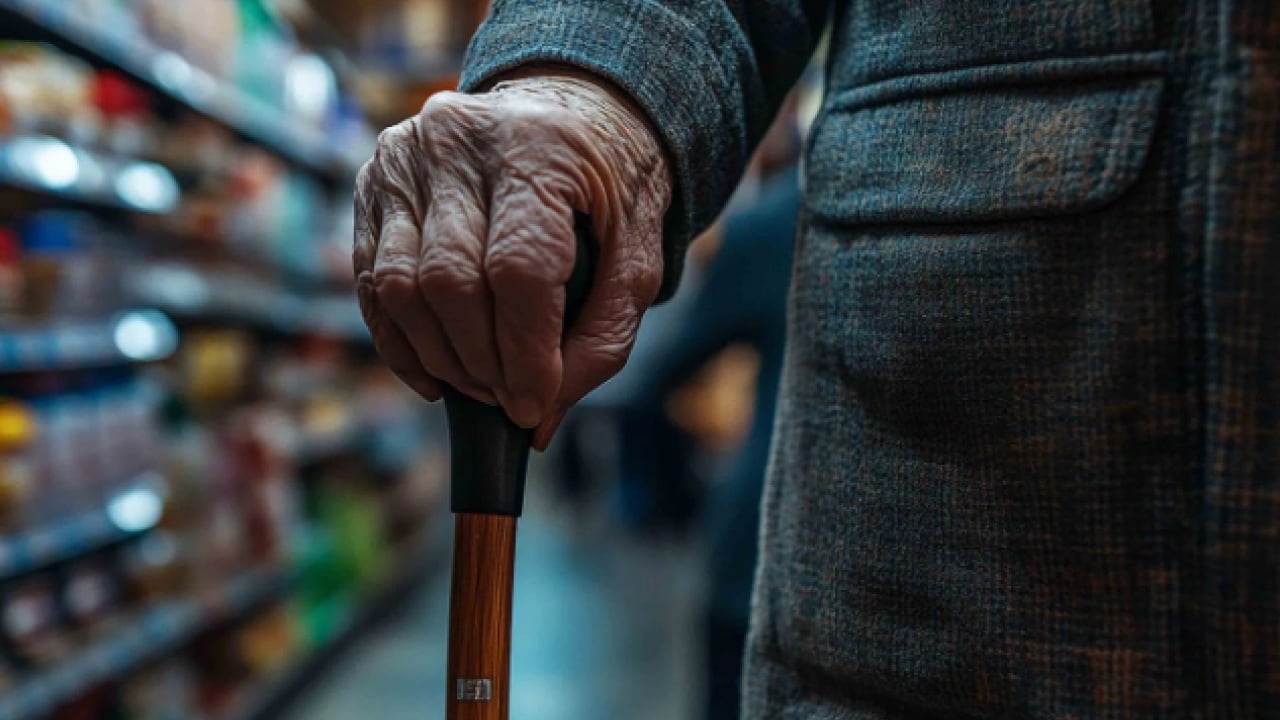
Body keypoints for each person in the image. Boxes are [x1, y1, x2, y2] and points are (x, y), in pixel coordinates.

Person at [353, 3, 1279, 718]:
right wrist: (576, 86)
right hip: (908, 639)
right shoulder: (767, 230)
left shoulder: (757, 232)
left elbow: (669, 377)